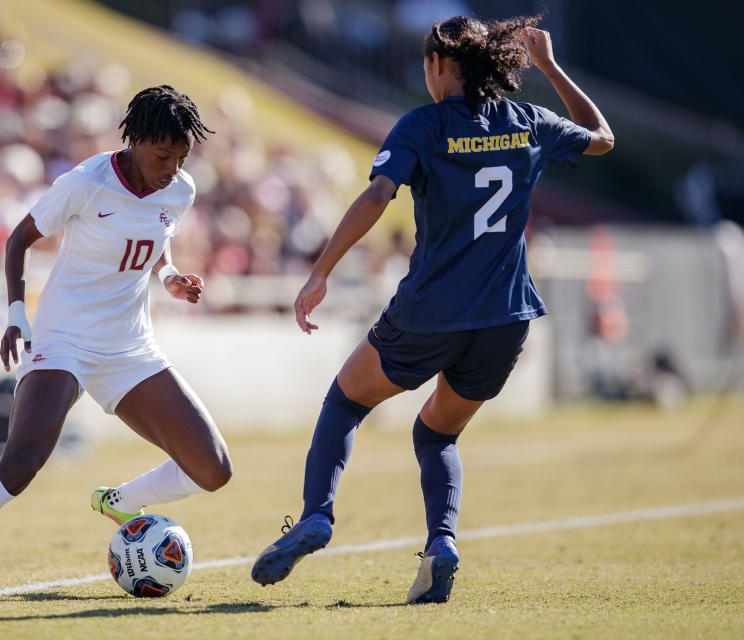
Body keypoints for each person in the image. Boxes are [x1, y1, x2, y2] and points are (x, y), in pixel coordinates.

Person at [251, 17, 614, 604]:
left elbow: (377, 194)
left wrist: (320, 271)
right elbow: (601, 137)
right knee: (438, 435)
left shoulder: (422, 125)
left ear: (441, 65)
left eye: (427, 64)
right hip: (505, 320)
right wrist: (548, 67)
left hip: (430, 312)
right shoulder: (527, 121)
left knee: (345, 400)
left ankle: (317, 515)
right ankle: (441, 542)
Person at [0, 85, 233, 602]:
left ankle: (119, 500)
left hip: (130, 347)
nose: (171, 167)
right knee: (20, 464)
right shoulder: (86, 182)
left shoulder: (180, 189)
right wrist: (16, 315)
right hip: (64, 339)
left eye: (181, 157)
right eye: (163, 155)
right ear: (134, 140)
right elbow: (18, 239)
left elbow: (156, 246)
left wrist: (171, 277)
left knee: (213, 468)